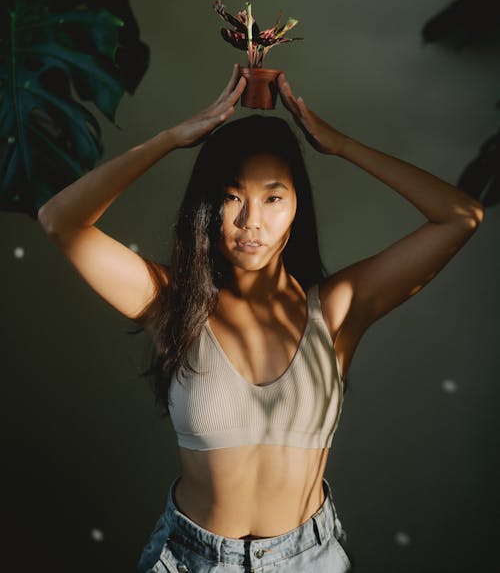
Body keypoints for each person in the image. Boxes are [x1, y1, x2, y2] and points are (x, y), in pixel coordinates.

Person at [37, 63, 484, 572]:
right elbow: (60, 221)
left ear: (297, 206)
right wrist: (169, 139)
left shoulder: (336, 308)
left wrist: (339, 145)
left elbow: (461, 216)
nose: (252, 222)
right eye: (232, 197)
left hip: (308, 560)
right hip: (190, 560)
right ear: (210, 205)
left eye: (273, 197)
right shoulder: (172, 302)